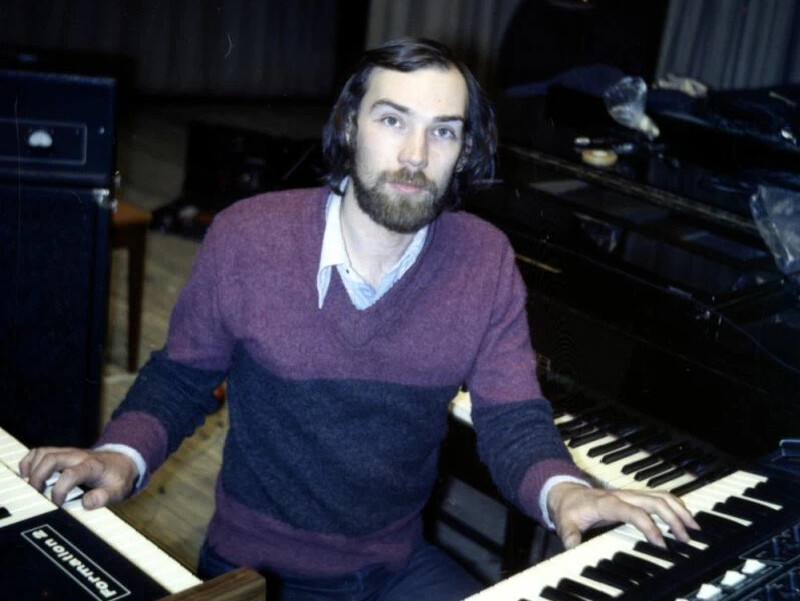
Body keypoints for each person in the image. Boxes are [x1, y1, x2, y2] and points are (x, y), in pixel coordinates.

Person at [21, 38, 698, 601]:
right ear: (350, 126)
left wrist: (566, 492)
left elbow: (512, 417)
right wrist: (119, 455)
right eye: (392, 120)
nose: (415, 156)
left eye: (443, 131)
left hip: (396, 567)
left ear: (465, 149)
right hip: (257, 572)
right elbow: (181, 377)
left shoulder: (483, 259)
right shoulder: (249, 237)